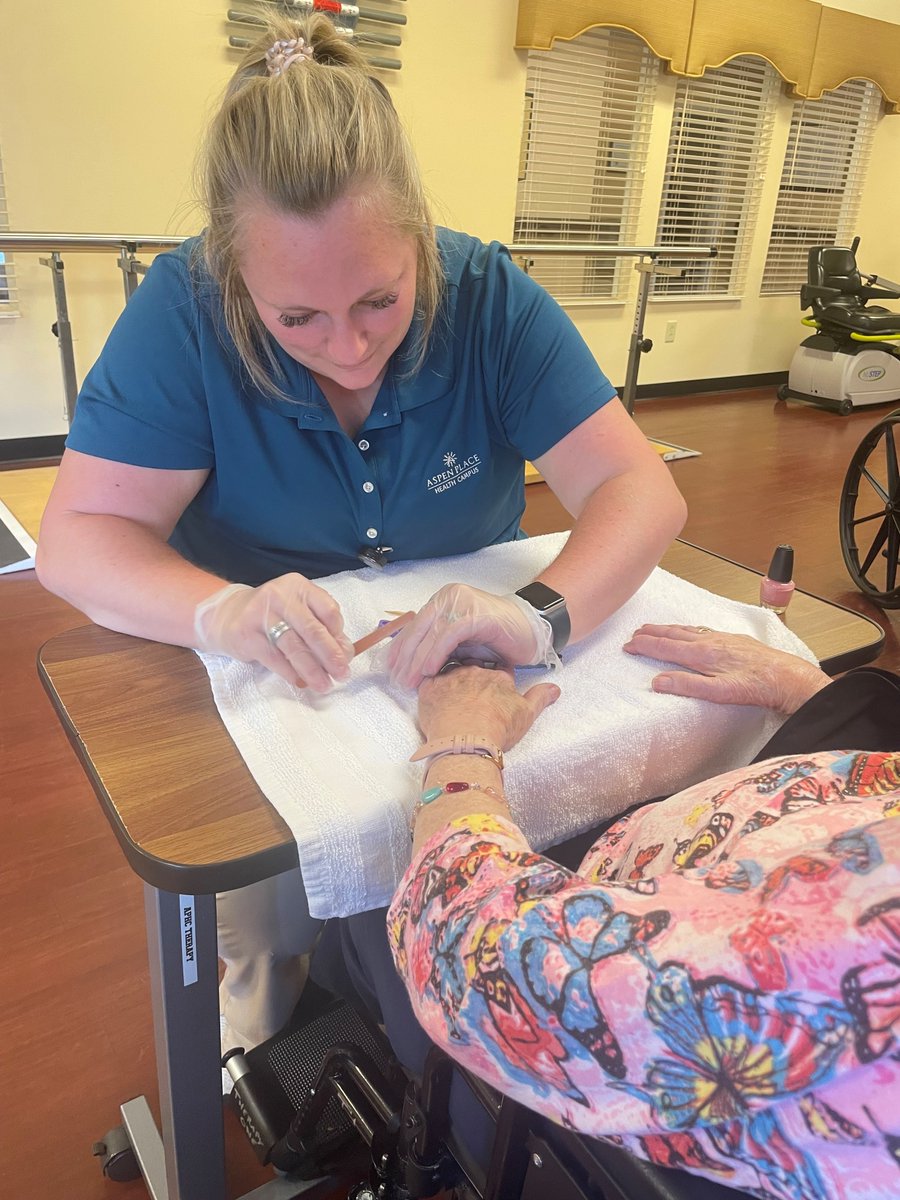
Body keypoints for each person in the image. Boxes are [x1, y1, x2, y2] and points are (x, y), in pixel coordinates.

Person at [34, 15, 686, 1053]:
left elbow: (638, 489)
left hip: (462, 689)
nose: (350, 346)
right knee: (264, 926)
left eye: (382, 298)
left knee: (507, 876)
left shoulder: (489, 299)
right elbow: (78, 540)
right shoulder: (184, 312)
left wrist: (539, 617)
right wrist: (226, 609)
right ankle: (262, 1062)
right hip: (278, 689)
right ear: (234, 279)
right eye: (297, 320)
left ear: (422, 236)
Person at [322, 628, 900, 1198]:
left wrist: (461, 743)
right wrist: (817, 699)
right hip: (677, 877)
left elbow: (491, 957)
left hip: (548, 1057)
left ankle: (352, 1027)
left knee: (363, 875)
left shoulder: (855, 943)